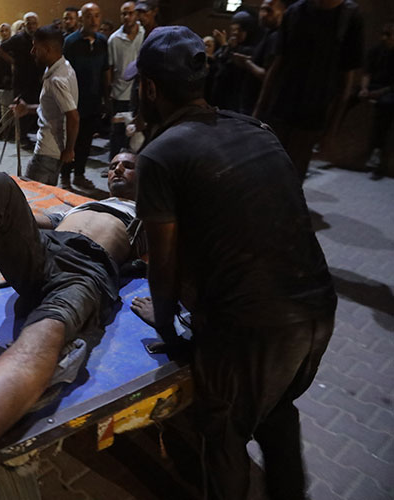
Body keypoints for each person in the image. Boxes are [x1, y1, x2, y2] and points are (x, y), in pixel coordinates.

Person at [130, 26, 337, 500]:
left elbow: (162, 264)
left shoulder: (160, 156)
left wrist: (165, 323)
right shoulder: (256, 129)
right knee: (276, 411)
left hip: (252, 328)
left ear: (150, 89)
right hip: (316, 311)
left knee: (223, 435)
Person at [0, 149, 144, 498]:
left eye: (128, 166)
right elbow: (33, 220)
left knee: (46, 335)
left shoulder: (146, 215)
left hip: (84, 271)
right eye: (112, 165)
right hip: (43, 251)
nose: (117, 169)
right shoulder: (82, 206)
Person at [254, 0, 364, 181]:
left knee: (293, 174)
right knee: (266, 168)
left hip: (314, 112)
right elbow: (277, 64)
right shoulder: (295, 12)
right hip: (281, 105)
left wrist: (331, 131)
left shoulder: (349, 16)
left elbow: (346, 80)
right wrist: (259, 110)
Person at [12, 25, 79, 186]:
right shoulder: (64, 66)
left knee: (31, 195)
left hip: (47, 152)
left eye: (36, 47)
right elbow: (53, 110)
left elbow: (73, 117)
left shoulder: (57, 80)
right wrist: (27, 109)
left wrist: (69, 150)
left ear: (47, 49)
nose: (32, 52)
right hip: (52, 151)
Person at [62, 3, 109, 190]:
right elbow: (63, 72)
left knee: (86, 141)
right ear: (81, 19)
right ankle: (65, 177)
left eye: (97, 16)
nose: (94, 20)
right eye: (89, 16)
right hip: (73, 102)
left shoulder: (102, 42)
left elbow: (105, 70)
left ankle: (79, 175)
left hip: (93, 101)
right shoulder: (71, 42)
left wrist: (106, 98)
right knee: (70, 141)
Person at [0, 12, 44, 146]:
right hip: (21, 80)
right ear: (24, 24)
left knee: (35, 105)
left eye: (34, 23)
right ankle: (21, 137)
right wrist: (13, 62)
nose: (31, 26)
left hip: (35, 78)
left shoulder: (39, 37)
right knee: (21, 107)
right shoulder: (18, 38)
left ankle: (32, 133)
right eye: (29, 23)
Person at [108, 1, 144, 160]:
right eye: (124, 13)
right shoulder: (114, 39)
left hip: (139, 93)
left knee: (137, 133)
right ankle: (114, 163)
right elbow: (110, 68)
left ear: (136, 14)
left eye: (131, 13)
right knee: (117, 133)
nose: (127, 17)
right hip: (120, 94)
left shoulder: (145, 33)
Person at [359, 22, 394, 178]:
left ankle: (377, 153)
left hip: (388, 90)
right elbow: (367, 73)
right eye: (383, 34)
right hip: (373, 87)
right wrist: (364, 89)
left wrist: (379, 93)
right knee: (348, 97)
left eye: (389, 34)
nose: (384, 38)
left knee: (385, 106)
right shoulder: (375, 51)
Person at [210, 11, 261, 114]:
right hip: (223, 98)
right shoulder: (233, 45)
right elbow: (218, 62)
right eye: (233, 30)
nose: (235, 33)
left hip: (238, 99)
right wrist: (227, 47)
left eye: (239, 30)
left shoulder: (252, 49)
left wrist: (226, 45)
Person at [0, 22, 14, 133]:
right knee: (3, 108)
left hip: (13, 81)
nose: (4, 33)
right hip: (2, 82)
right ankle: (5, 131)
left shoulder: (14, 44)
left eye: (6, 30)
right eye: (2, 31)